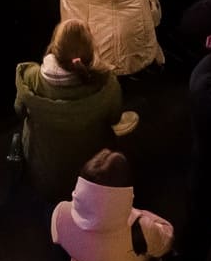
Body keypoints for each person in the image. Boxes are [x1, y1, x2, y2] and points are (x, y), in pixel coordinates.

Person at [51, 150, 172, 261]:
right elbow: (166, 241)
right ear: (125, 192)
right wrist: (138, 214)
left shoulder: (61, 213)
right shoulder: (142, 229)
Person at [15, 20, 128, 201]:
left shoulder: (30, 78)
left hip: (47, 176)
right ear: (91, 50)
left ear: (55, 48)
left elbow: (19, 110)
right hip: (95, 175)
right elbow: (115, 118)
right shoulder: (107, 83)